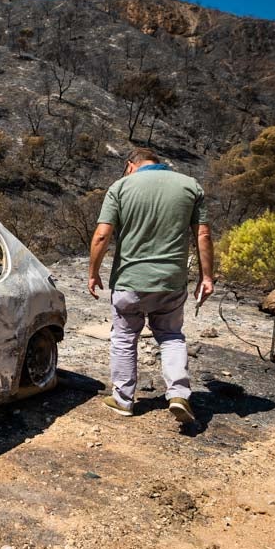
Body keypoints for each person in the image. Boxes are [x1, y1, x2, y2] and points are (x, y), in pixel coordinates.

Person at [86, 147, 214, 422]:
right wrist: (207, 277)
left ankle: (123, 400)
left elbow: (101, 235)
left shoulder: (120, 187)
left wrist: (93, 273)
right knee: (170, 336)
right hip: (171, 281)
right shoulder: (190, 185)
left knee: (124, 338)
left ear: (130, 165)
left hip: (130, 280)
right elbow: (202, 234)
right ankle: (179, 394)